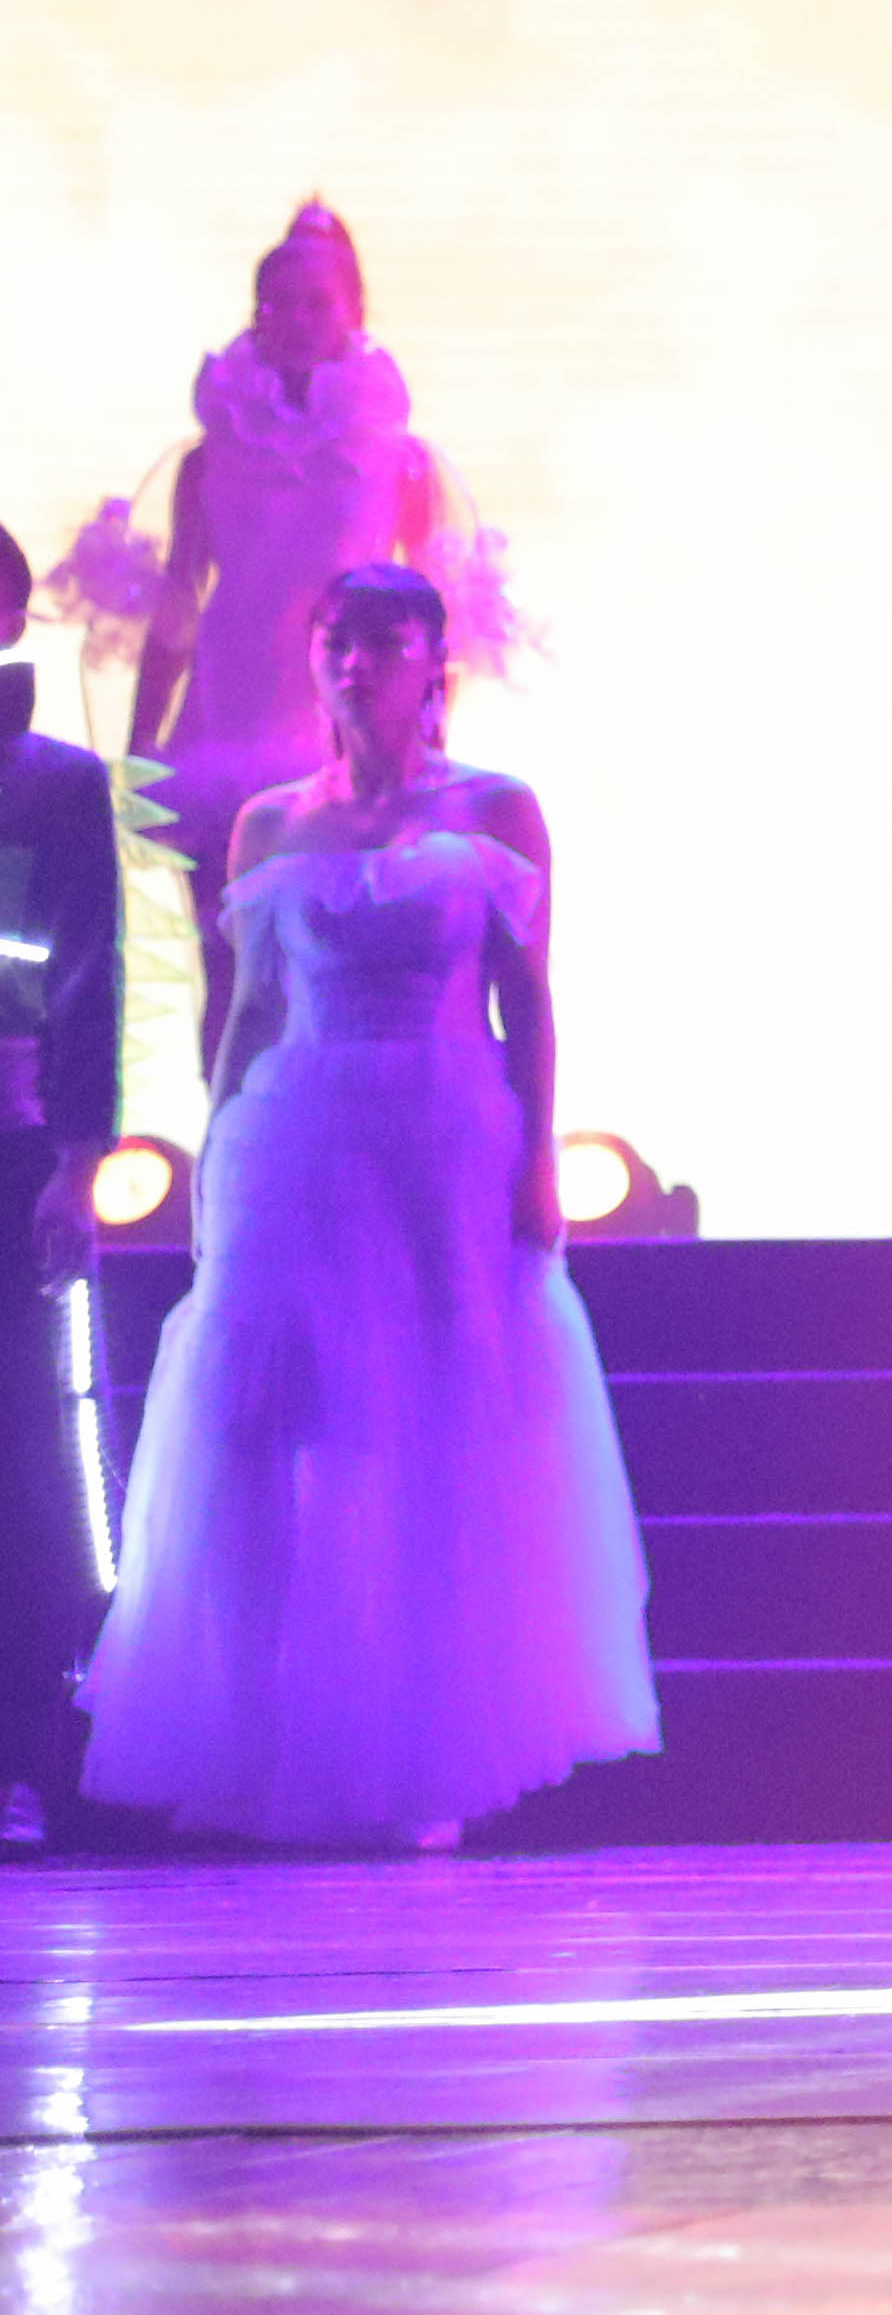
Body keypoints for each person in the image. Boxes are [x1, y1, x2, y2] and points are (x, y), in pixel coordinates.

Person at [82, 567, 652, 1847]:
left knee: (431, 1420)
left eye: (383, 640)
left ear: (432, 659)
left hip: (443, 1131)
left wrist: (539, 1159)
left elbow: (529, 996)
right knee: (259, 1427)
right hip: (297, 1130)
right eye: (336, 639)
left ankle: (421, 1757)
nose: (355, 662)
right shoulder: (271, 821)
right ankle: (255, 1736)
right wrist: (213, 1152)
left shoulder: (494, 805)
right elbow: (248, 1010)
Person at [118, 206, 456, 1049]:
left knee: (341, 960)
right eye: (278, 305)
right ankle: (229, 1122)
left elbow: (432, 617)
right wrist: (141, 745)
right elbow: (178, 600)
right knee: (228, 958)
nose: (298, 321)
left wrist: (430, 744)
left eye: (318, 304)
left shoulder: (398, 461)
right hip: (226, 716)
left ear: (353, 313)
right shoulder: (211, 457)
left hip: (348, 723)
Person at [0, 528, 127, 1844]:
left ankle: (22, 1758)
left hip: (15, 1151)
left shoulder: (53, 784)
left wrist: (79, 1161)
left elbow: (90, 980)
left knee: (31, 1461)